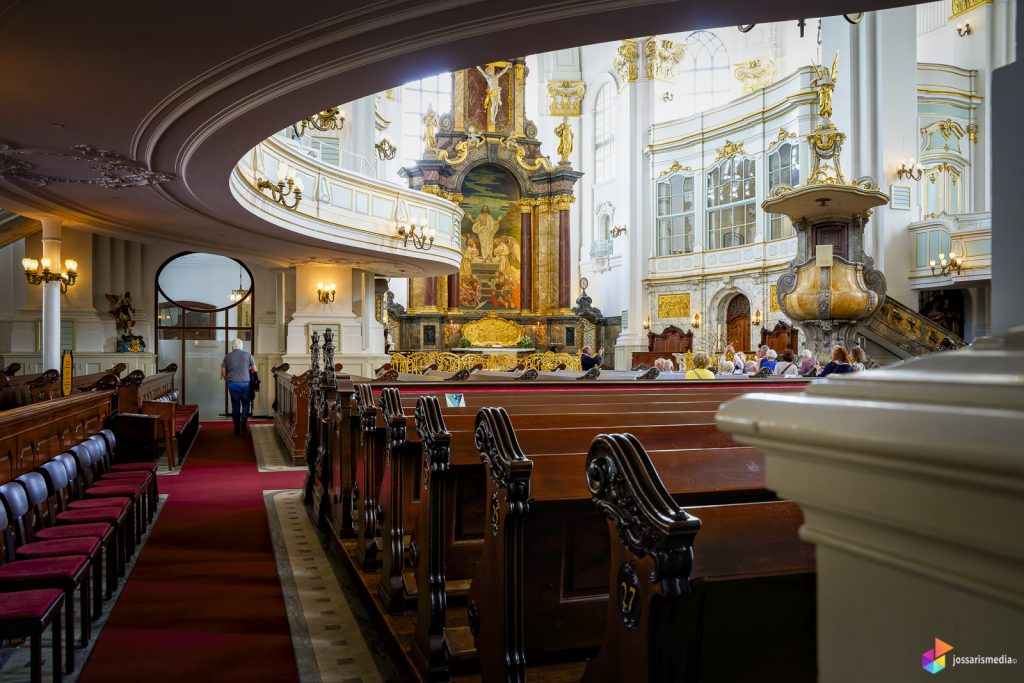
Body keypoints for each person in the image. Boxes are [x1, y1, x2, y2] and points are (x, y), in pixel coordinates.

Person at [221, 338, 257, 434]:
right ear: (241, 346)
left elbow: (223, 371)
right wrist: (248, 370)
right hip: (245, 383)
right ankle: (243, 423)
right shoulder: (248, 355)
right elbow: (254, 370)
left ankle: (236, 426)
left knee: (235, 404)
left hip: (232, 383)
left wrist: (226, 379)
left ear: (233, 346)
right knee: (246, 404)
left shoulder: (227, 356)